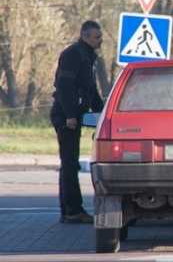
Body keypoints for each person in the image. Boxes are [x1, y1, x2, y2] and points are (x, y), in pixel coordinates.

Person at [50, 21, 105, 224]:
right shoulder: (74, 54)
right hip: (66, 116)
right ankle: (72, 210)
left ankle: (70, 210)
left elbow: (90, 88)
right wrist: (70, 115)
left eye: (100, 36)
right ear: (84, 36)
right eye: (96, 37)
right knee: (70, 164)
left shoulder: (88, 55)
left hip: (73, 115)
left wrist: (103, 112)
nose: (100, 40)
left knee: (70, 164)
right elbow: (64, 86)